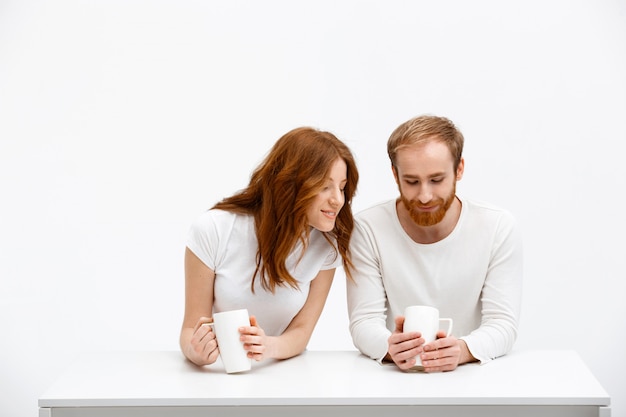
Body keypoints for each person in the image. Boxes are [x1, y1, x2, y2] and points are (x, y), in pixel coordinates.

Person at [347, 115, 522, 372]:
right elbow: (363, 322)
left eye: (437, 180)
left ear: (459, 169)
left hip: (473, 379)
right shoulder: (368, 228)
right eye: (412, 182)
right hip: (397, 381)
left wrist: (462, 350)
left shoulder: (497, 227)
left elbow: (503, 324)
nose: (425, 196)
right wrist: (390, 346)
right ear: (395, 175)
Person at [180, 126, 359, 367]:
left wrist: (267, 346)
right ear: (290, 184)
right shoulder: (214, 229)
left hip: (281, 372)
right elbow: (191, 328)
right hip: (221, 373)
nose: (337, 199)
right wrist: (196, 352)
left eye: (342, 186)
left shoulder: (327, 244)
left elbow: (301, 331)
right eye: (325, 186)